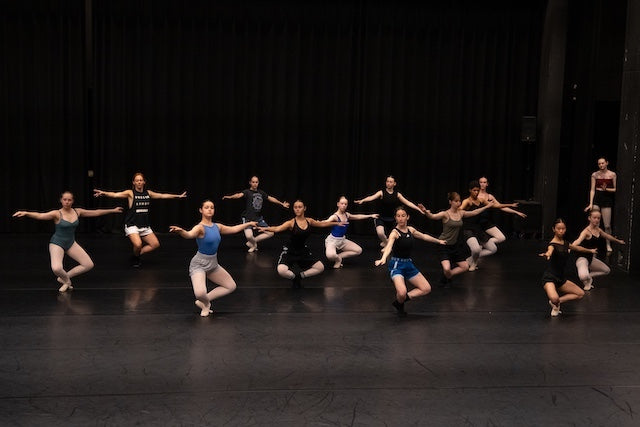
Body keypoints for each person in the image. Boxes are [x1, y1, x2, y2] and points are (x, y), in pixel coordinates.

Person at [12, 191, 123, 292]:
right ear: (61, 200)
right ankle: (67, 281)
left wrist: (112, 210)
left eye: (69, 200)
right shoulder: (57, 213)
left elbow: (95, 212)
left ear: (72, 201)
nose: (67, 202)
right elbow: (41, 215)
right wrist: (26, 213)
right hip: (57, 243)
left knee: (88, 264)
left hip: (70, 243)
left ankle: (64, 278)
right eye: (65, 199)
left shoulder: (77, 212)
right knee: (56, 268)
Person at [169, 200, 258, 317]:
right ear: (201, 210)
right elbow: (189, 235)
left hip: (213, 263)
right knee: (200, 293)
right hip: (199, 264)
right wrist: (181, 231)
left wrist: (248, 224)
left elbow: (233, 229)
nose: (210, 209)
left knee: (231, 286)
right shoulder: (200, 228)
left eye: (212, 207)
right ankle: (206, 304)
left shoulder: (217, 226)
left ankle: (203, 301)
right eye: (206, 207)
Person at [94, 172, 187, 267]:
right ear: (134, 182)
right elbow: (115, 195)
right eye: (137, 180)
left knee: (155, 244)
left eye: (141, 180)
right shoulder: (130, 193)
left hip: (144, 225)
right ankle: (136, 257)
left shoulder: (148, 193)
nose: (139, 182)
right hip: (132, 225)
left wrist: (177, 196)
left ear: (144, 182)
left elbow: (162, 195)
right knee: (138, 244)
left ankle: (136, 256)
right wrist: (103, 193)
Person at [375, 206, 447, 317]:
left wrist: (438, 241)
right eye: (398, 216)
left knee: (426, 288)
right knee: (402, 292)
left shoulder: (411, 230)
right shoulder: (395, 233)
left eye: (403, 216)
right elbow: (389, 246)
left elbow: (424, 236)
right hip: (397, 265)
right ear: (395, 218)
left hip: (408, 264)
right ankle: (401, 301)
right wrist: (383, 258)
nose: (401, 218)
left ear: (407, 217)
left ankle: (399, 302)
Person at [259, 200, 339, 288]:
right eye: (295, 207)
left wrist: (337, 223)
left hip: (302, 251)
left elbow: (322, 224)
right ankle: (294, 278)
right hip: (290, 251)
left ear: (304, 208)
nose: (297, 209)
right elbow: (277, 229)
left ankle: (299, 277)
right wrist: (265, 228)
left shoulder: (309, 221)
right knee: (281, 270)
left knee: (320, 267)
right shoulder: (291, 223)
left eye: (300, 207)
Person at [419, 192, 494, 286]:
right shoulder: (445, 214)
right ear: (450, 202)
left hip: (454, 246)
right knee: (447, 269)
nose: (458, 203)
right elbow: (433, 216)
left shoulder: (461, 213)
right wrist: (426, 212)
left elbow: (474, 212)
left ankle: (447, 276)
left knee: (465, 267)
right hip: (443, 245)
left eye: (459, 201)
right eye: (456, 201)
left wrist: (487, 206)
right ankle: (447, 275)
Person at [463, 179, 526, 270]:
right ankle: (475, 256)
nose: (482, 184)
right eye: (481, 182)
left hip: (484, 224)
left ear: (487, 184)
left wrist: (513, 208)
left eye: (484, 182)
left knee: (499, 240)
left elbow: (498, 206)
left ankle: (477, 251)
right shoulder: (469, 200)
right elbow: (461, 210)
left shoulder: (487, 197)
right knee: (476, 248)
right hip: (473, 225)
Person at [539, 218, 594, 317]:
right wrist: (547, 254)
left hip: (560, 278)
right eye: (558, 229)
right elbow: (549, 251)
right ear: (554, 229)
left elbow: (577, 248)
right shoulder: (552, 244)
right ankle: (555, 302)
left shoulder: (566, 243)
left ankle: (556, 303)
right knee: (554, 298)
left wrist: (590, 251)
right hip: (549, 278)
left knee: (580, 294)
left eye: (563, 228)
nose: (561, 231)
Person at [222, 176, 290, 253]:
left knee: (271, 233)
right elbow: (238, 195)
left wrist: (281, 204)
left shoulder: (261, 193)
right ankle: (254, 245)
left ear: (258, 183)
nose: (255, 184)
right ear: (250, 183)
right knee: (249, 236)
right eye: (253, 182)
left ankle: (251, 243)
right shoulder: (247, 192)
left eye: (256, 182)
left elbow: (271, 198)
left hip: (258, 219)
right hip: (247, 219)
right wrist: (230, 197)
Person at [354, 176, 426, 248]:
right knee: (380, 233)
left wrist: (418, 209)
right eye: (387, 181)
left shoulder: (397, 194)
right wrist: (362, 200)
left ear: (394, 183)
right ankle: (387, 244)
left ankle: (387, 245)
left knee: (396, 235)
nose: (388, 183)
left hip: (392, 219)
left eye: (390, 182)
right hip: (381, 218)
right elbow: (371, 197)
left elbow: (408, 203)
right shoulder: (381, 192)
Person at [572, 209, 625, 291]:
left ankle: (589, 277)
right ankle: (586, 278)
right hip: (581, 258)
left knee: (606, 270)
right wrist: (570, 247)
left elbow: (607, 236)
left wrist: (618, 241)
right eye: (594, 218)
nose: (596, 220)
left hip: (590, 258)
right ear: (589, 218)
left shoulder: (598, 230)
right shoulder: (586, 232)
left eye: (598, 218)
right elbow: (577, 241)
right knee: (583, 276)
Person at [324, 196, 379, 268]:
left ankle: (338, 257)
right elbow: (326, 221)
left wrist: (370, 215)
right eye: (342, 203)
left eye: (345, 204)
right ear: (338, 204)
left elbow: (358, 216)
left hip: (342, 240)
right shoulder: (335, 216)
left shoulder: (347, 215)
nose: (344, 205)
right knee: (330, 256)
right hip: (332, 241)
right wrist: (319, 222)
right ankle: (338, 260)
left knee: (358, 250)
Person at [584, 157, 617, 253]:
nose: (601, 165)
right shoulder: (595, 174)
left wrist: (606, 189)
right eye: (599, 164)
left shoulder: (612, 174)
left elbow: (615, 189)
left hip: (606, 198)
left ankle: (608, 244)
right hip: (597, 198)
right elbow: (592, 190)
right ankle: (594, 244)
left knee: (607, 225)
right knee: (595, 223)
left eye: (603, 163)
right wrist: (591, 203)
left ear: (607, 163)